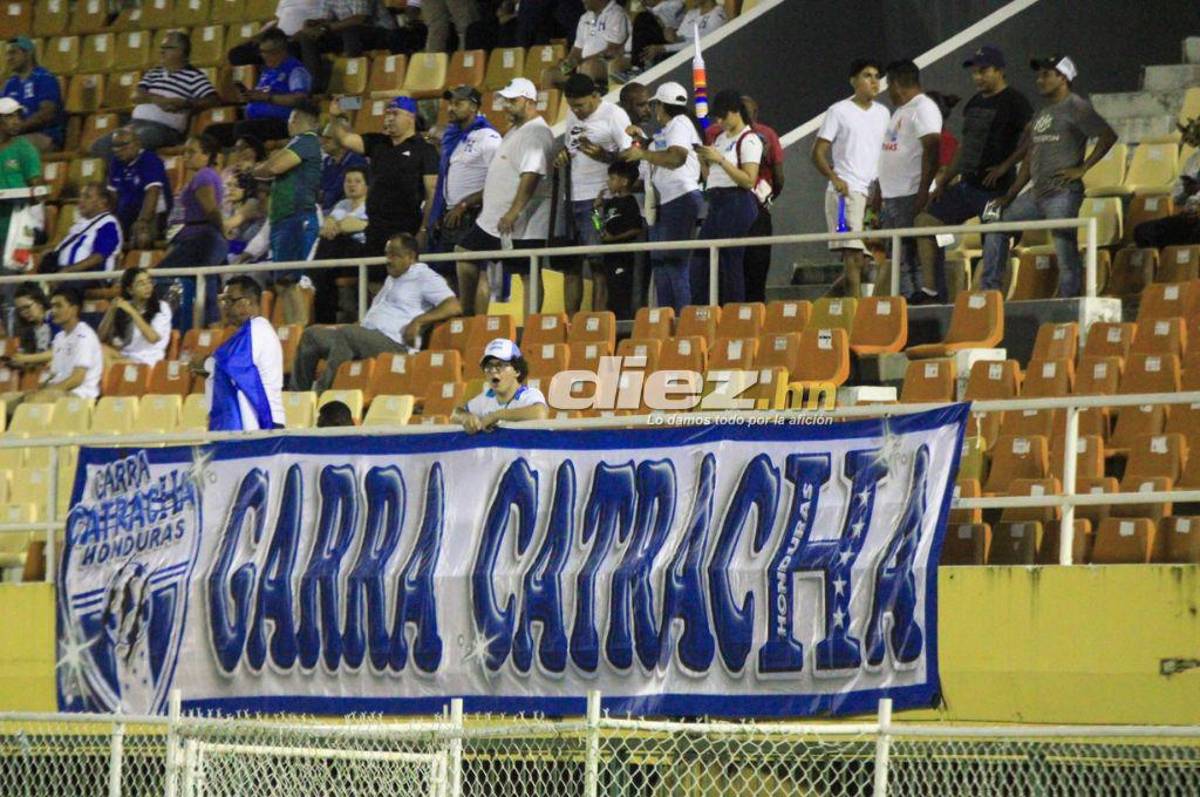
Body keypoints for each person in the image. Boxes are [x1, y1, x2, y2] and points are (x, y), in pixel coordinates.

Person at [979, 56, 1116, 297]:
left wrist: (1082, 168)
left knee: (1064, 249)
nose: (1039, 80)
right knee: (994, 222)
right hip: (1036, 193)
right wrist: (1010, 195)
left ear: (1063, 77)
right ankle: (990, 292)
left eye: (1046, 75)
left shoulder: (1076, 105)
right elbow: (1030, 156)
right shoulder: (1043, 112)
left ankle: (1068, 303)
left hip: (1062, 192)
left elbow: (1108, 135)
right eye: (1039, 75)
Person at [914, 46, 1032, 301]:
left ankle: (992, 295)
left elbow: (1032, 139)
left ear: (1000, 71)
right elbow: (965, 146)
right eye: (975, 73)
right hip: (967, 187)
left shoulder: (1016, 102)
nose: (978, 77)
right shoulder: (974, 103)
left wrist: (1006, 165)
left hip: (995, 191)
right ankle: (932, 290)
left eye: (984, 71)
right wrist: (945, 179)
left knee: (995, 236)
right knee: (925, 222)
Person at [291, 233, 462, 392]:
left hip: (394, 343)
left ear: (411, 257)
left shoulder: (425, 277)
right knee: (311, 335)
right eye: (387, 254)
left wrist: (419, 321)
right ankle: (298, 397)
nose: (388, 260)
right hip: (366, 337)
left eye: (394, 255)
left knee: (349, 334)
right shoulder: (392, 278)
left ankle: (321, 395)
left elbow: (453, 305)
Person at [455, 78, 556, 315]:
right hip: (496, 220)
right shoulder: (517, 130)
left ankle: (532, 324)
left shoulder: (536, 133)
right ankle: (470, 315)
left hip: (522, 222)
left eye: (513, 100)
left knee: (528, 272)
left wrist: (513, 212)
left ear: (530, 101)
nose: (506, 105)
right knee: (466, 253)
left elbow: (531, 175)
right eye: (506, 100)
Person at [811, 58, 889, 299]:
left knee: (865, 261)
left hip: (873, 193)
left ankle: (822, 306)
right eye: (867, 75)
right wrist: (835, 178)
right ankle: (855, 315)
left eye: (877, 76)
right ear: (853, 81)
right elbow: (817, 152)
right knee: (853, 257)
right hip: (847, 192)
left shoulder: (884, 113)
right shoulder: (839, 111)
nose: (874, 81)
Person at [622, 81, 702, 314]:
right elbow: (659, 155)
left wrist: (642, 152)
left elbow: (676, 158)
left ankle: (683, 320)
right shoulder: (667, 131)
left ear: (661, 106)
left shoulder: (680, 123)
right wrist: (643, 141)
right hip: (663, 202)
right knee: (661, 263)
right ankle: (667, 319)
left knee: (675, 263)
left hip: (680, 198)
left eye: (655, 104)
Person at [557, 73, 633, 313]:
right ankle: (571, 325)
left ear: (595, 95)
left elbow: (630, 159)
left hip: (599, 200)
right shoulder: (571, 114)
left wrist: (605, 156)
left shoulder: (614, 115)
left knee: (599, 266)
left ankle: (597, 324)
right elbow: (572, 147)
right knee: (571, 268)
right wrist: (563, 156)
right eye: (572, 106)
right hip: (572, 198)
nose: (576, 111)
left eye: (581, 105)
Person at [326, 95, 439, 257]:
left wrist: (423, 230)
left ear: (410, 117)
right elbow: (344, 139)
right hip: (375, 227)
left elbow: (432, 193)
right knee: (372, 275)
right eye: (388, 114)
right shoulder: (378, 142)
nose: (390, 118)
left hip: (405, 227)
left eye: (395, 113)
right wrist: (335, 116)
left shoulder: (425, 150)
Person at [874, 59, 942, 302]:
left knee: (909, 256)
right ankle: (906, 302)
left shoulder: (923, 108)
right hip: (893, 197)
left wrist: (922, 191)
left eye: (888, 84)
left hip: (910, 194)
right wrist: (879, 193)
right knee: (899, 257)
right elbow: (890, 153)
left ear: (895, 84)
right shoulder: (902, 111)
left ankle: (918, 303)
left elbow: (933, 150)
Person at [252, 99, 323, 325]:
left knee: (291, 282)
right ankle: (294, 330)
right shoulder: (297, 142)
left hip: (297, 217)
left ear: (298, 119)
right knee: (283, 283)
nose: (288, 123)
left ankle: (299, 333)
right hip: (284, 219)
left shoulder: (306, 141)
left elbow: (274, 167)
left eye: (291, 118)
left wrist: (255, 169)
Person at [93, 31, 219, 158]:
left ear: (181, 51)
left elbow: (213, 100)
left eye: (167, 48)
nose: (161, 52)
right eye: (161, 48)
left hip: (164, 129)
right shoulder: (154, 72)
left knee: (130, 144)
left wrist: (185, 103)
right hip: (135, 124)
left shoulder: (194, 76)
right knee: (100, 146)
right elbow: (136, 96)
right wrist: (157, 99)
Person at [691, 89, 760, 304]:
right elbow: (712, 177)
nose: (719, 121)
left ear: (736, 112)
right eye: (717, 117)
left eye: (723, 116)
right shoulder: (720, 138)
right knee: (701, 258)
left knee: (731, 260)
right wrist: (704, 160)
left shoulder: (749, 140)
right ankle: (704, 309)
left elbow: (749, 180)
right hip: (717, 201)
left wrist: (720, 160)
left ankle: (734, 311)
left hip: (737, 201)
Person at [194, 276, 286, 431]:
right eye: (223, 300)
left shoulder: (257, 329)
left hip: (263, 420)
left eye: (230, 300)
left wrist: (202, 363)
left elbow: (231, 363)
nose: (225, 307)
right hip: (256, 420)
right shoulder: (248, 332)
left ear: (248, 302)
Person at [159, 134, 227, 328]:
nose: (186, 156)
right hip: (202, 239)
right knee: (207, 285)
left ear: (206, 156)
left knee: (160, 275)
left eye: (192, 152)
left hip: (202, 240)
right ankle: (204, 329)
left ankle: (178, 327)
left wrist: (221, 235)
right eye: (185, 151)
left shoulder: (203, 175)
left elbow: (211, 209)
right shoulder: (205, 175)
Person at [206, 29, 314, 147]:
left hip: (283, 123)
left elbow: (300, 99)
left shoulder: (295, 70)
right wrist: (251, 97)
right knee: (212, 132)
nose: (263, 56)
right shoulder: (267, 71)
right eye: (262, 52)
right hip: (257, 121)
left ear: (279, 51)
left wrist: (268, 98)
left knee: (243, 128)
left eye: (266, 52)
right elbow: (261, 95)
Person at [1, 287, 102, 413]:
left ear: (74, 309)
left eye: (59, 306)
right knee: (4, 400)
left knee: (35, 401)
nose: (53, 311)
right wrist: (40, 390)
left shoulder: (84, 335)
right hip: (56, 391)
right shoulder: (60, 337)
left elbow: (77, 378)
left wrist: (49, 392)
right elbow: (55, 374)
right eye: (52, 306)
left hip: (79, 395)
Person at [429, 86, 500, 263]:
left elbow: (500, 182)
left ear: (474, 107)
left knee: (475, 273)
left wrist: (464, 204)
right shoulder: (452, 136)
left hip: (474, 214)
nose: (451, 108)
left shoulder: (488, 137)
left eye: (458, 103)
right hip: (451, 215)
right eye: (450, 103)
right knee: (449, 276)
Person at [297, 0, 399, 94]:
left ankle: (354, 83)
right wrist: (314, 24)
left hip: (382, 32)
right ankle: (313, 86)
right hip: (348, 34)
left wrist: (325, 28)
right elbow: (326, 20)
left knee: (350, 30)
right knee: (306, 36)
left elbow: (360, 19)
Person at [452, 338, 549, 433]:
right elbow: (455, 414)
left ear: (517, 371)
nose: (493, 370)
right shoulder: (486, 397)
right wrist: (465, 417)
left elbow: (540, 413)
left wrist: (496, 415)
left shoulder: (528, 394)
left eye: (500, 365)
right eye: (489, 366)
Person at [313, 166, 369, 323]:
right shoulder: (343, 204)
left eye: (357, 181)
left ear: (366, 185)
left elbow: (353, 225)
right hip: (338, 249)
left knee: (331, 243)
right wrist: (333, 224)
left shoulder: (371, 204)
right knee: (328, 242)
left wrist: (339, 226)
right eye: (348, 181)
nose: (352, 185)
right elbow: (330, 223)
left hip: (360, 248)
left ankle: (312, 273)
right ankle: (324, 319)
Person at [105, 127, 171, 249]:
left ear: (137, 143)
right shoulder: (115, 162)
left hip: (152, 214)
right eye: (115, 146)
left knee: (142, 237)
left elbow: (152, 193)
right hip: (126, 213)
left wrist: (143, 221)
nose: (118, 150)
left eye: (123, 145)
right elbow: (112, 196)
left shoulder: (150, 160)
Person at [592, 160, 644, 315]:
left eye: (612, 178)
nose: (609, 182)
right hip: (609, 256)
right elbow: (598, 226)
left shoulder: (630, 202)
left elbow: (636, 229)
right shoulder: (610, 203)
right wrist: (596, 210)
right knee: (610, 293)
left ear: (624, 181)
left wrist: (614, 239)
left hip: (623, 257)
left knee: (621, 294)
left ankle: (623, 327)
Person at [41, 183, 123, 276]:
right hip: (65, 274)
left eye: (87, 197)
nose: (81, 200)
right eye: (81, 196)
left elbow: (98, 257)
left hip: (90, 277)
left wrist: (68, 271)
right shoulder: (80, 224)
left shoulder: (108, 223)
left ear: (102, 202)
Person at [97, 267, 172, 368]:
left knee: (108, 365)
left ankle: (112, 382)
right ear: (130, 290)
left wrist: (132, 312)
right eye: (141, 283)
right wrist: (111, 311)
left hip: (148, 361)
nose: (147, 286)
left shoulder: (162, 307)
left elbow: (153, 338)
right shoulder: (125, 306)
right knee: (98, 349)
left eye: (149, 282)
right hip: (125, 356)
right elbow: (100, 337)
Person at [2, 36, 64, 152]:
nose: (9, 58)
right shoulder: (10, 84)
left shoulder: (44, 78)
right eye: (7, 54)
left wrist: (19, 128)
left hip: (44, 135)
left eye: (13, 53)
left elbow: (47, 113)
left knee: (9, 148)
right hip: (15, 136)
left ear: (28, 53)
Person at [551, 0, 630, 85]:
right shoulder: (585, 17)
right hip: (583, 65)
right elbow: (577, 50)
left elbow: (612, 50)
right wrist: (568, 63)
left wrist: (582, 61)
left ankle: (588, 96)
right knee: (550, 74)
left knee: (588, 67)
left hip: (609, 63)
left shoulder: (617, 14)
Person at [0, 97, 40, 260]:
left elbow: (37, 190)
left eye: (17, 116)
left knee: (11, 269)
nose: (16, 121)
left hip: (16, 220)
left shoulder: (24, 148)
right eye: (9, 117)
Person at [640, 0, 725, 66]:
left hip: (695, 60)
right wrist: (675, 37)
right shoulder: (691, 13)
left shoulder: (717, 15)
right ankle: (639, 64)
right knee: (644, 19)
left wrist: (663, 48)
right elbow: (682, 38)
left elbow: (698, 45)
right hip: (677, 54)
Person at [318, 122, 367, 212]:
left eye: (328, 138)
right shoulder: (327, 161)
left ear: (344, 140)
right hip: (324, 209)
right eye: (322, 137)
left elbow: (332, 196)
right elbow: (317, 190)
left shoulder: (356, 162)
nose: (322, 141)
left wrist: (322, 196)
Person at [8, 283, 52, 371]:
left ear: (40, 302)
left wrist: (26, 358)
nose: (24, 313)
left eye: (27, 307)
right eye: (20, 309)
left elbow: (58, 352)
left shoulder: (55, 318)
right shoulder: (28, 330)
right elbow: (31, 358)